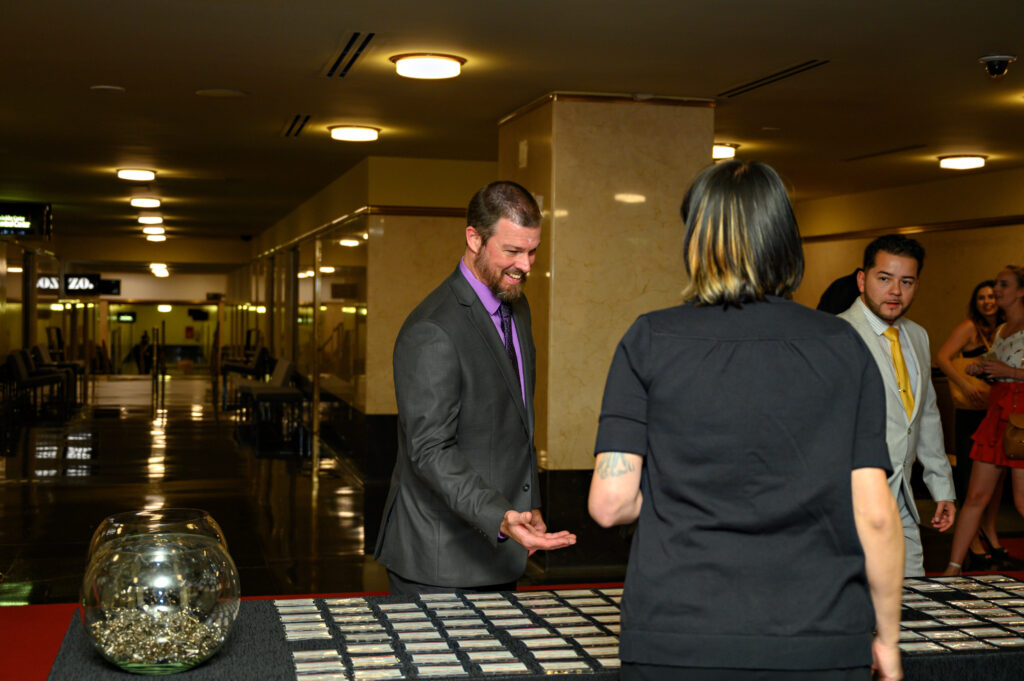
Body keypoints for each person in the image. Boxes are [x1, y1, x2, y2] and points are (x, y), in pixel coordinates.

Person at [589, 160, 903, 681]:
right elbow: (874, 514)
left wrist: (679, 492)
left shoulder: (650, 339)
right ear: (784, 240)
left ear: (696, 240)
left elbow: (610, 504)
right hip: (817, 636)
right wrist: (887, 640)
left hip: (676, 634)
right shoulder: (843, 346)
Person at [374, 180, 576, 597]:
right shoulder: (433, 329)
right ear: (474, 238)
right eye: (512, 251)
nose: (526, 265)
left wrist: (528, 504)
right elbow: (431, 451)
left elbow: (517, 420)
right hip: (439, 563)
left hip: (501, 548)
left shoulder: (516, 305)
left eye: (533, 251)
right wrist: (501, 515)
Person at [839, 234, 957, 577]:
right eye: (884, 278)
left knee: (914, 595)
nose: (895, 291)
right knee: (859, 599)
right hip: (852, 503)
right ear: (862, 280)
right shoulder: (836, 334)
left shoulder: (917, 335)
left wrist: (942, 487)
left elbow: (926, 416)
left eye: (906, 282)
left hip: (903, 495)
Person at [945, 265, 1024, 576]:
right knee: (976, 496)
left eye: (1003, 285)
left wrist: (1009, 372)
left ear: (1021, 291)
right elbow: (997, 366)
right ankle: (952, 569)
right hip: (997, 412)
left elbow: (1010, 371)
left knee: (1021, 502)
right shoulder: (1002, 330)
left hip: (1020, 416)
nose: (996, 290)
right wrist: (981, 369)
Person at [935, 280, 1010, 568]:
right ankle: (973, 540)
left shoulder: (1005, 329)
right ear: (975, 303)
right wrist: (964, 385)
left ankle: (989, 531)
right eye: (982, 297)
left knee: (998, 478)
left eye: (992, 296)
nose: (988, 302)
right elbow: (942, 358)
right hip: (972, 410)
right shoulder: (969, 327)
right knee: (971, 478)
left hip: (997, 409)